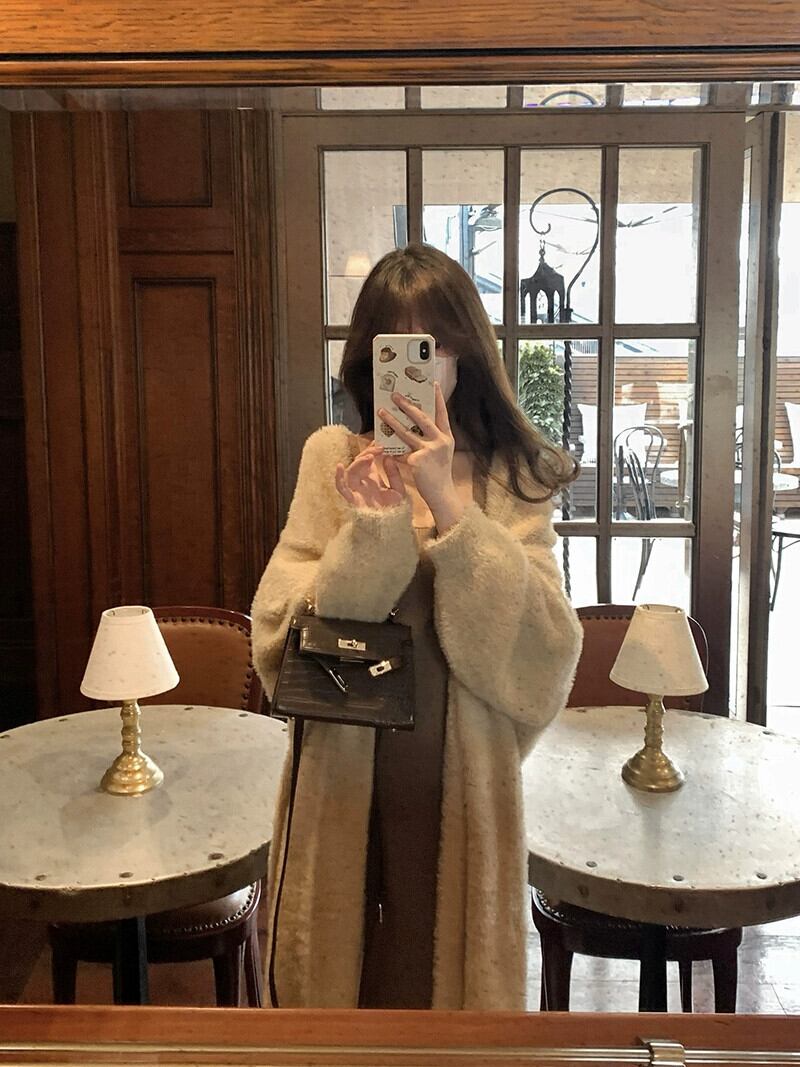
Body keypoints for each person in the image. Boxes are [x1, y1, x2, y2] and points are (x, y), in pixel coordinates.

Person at [251, 243, 583, 1011]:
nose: (417, 368)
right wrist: (372, 528)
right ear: (369, 360)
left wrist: (450, 506)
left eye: (433, 345)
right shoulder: (332, 459)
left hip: (466, 795)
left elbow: (546, 656)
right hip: (340, 788)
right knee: (340, 995)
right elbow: (274, 635)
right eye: (394, 346)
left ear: (465, 353)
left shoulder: (511, 476)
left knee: (447, 998)